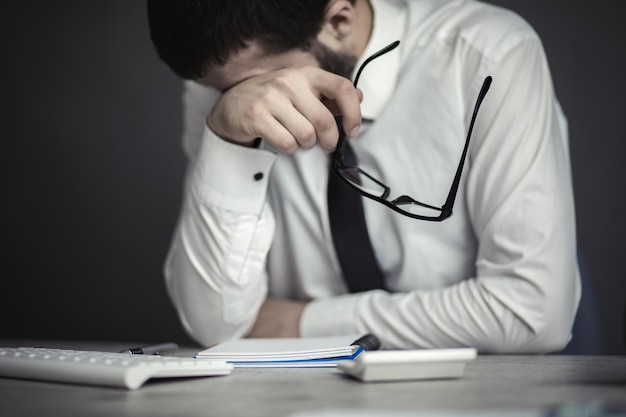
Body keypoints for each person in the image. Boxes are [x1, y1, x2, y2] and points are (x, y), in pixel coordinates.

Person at [147, 0, 581, 352]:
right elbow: (216, 325)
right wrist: (227, 142)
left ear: (339, 20)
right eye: (227, 92)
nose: (250, 101)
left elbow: (533, 312)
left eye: (267, 84)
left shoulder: (487, 55)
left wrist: (302, 323)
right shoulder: (224, 83)